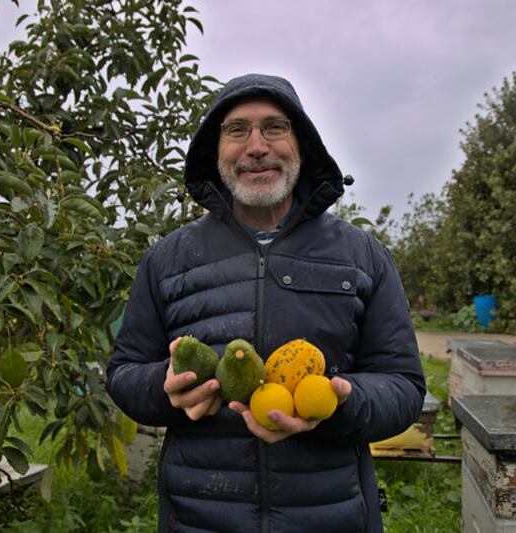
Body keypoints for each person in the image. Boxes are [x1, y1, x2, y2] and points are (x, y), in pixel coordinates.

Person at [106, 73, 426, 533]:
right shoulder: (167, 260)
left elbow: (404, 386)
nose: (256, 145)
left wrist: (342, 404)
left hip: (331, 519)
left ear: (302, 144)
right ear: (216, 153)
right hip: (200, 520)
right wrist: (164, 386)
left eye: (274, 127)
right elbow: (124, 373)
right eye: (237, 130)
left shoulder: (363, 256)